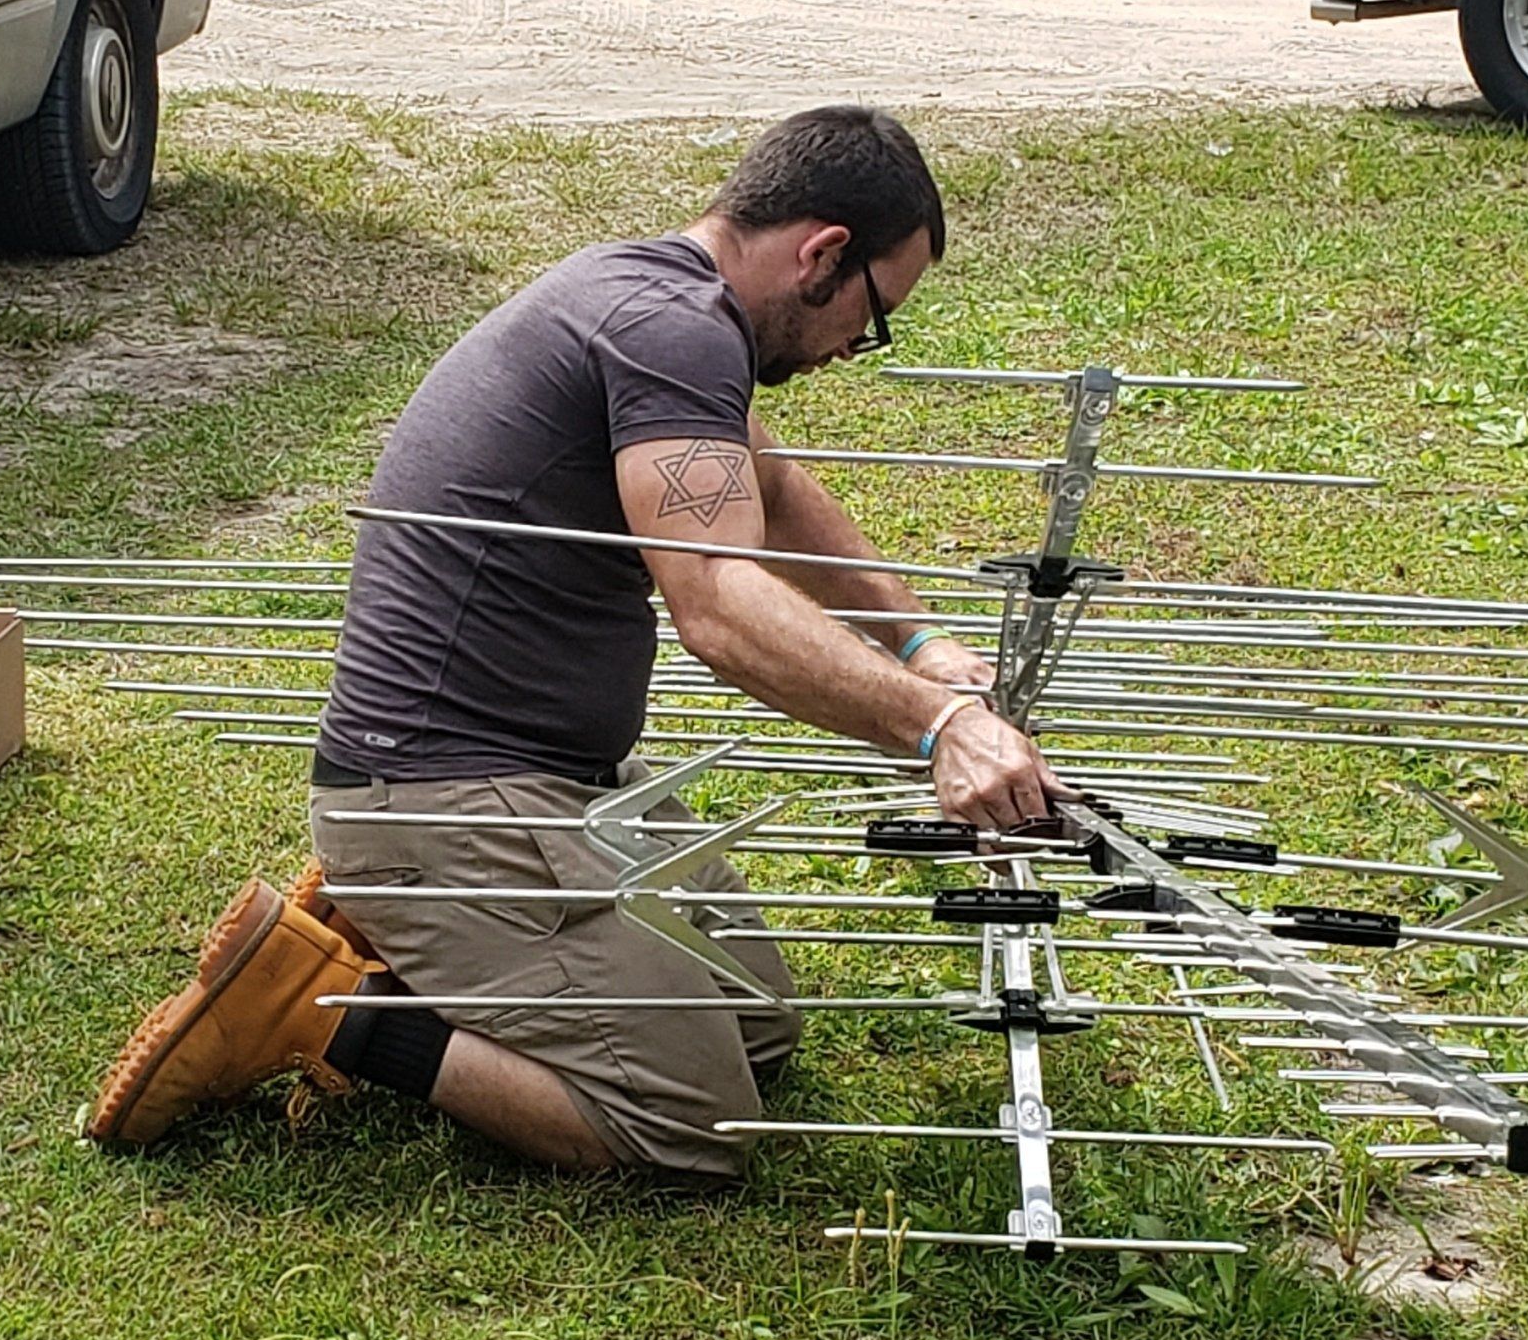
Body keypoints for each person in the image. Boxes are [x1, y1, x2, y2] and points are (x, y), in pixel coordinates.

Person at [87, 105, 1052, 1181]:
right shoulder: (674, 328)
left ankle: (415, 938)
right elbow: (721, 605)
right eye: (871, 317)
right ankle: (323, 1007)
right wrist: (939, 729)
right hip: (445, 793)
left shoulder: (652, 295)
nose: (849, 352)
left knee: (762, 1031)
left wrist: (918, 644)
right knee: (701, 1126)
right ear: (824, 253)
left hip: (557, 781)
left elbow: (771, 494)